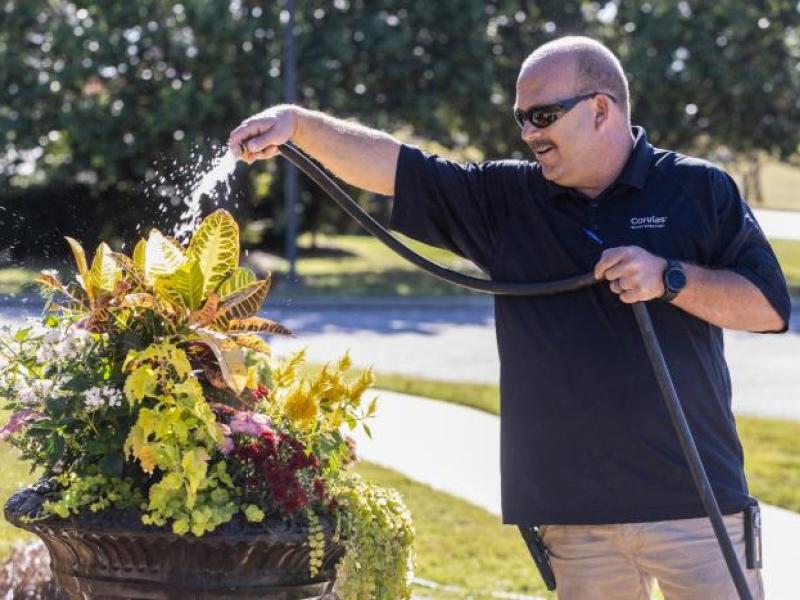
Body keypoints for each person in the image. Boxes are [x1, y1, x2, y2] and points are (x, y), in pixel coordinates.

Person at [229, 36, 790, 600]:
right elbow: (398, 167)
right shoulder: (509, 199)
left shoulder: (697, 188)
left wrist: (670, 278)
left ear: (601, 110)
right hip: (575, 518)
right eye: (521, 118)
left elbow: (768, 308)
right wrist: (297, 125)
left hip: (695, 507)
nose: (528, 134)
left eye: (544, 115)